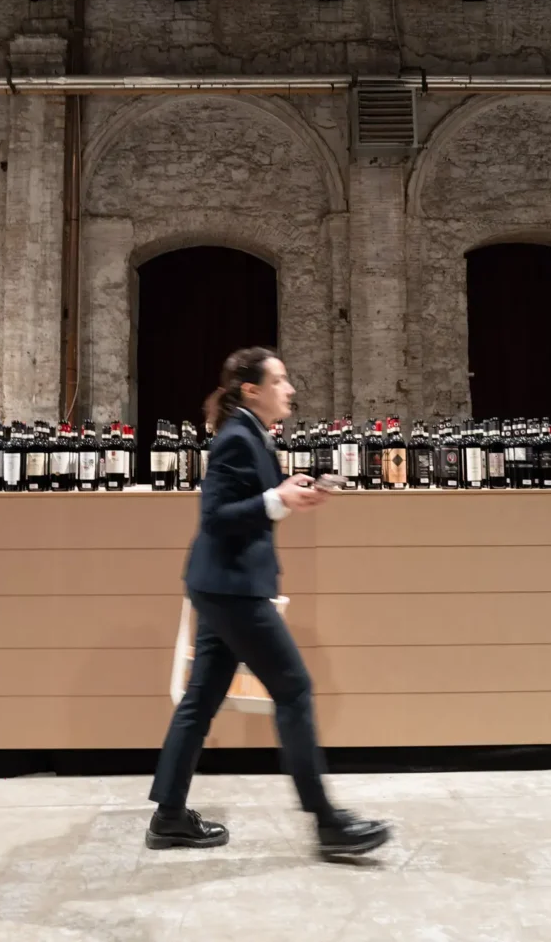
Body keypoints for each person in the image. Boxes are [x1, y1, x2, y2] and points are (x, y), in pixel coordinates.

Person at [146, 346, 390, 857]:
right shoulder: (238, 435)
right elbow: (216, 515)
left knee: (200, 700)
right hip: (234, 589)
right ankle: (327, 823)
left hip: (219, 584)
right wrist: (279, 500)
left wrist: (285, 492)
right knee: (295, 690)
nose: (291, 389)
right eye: (280, 381)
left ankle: (169, 816)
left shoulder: (249, 434)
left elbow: (247, 503)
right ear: (252, 390)